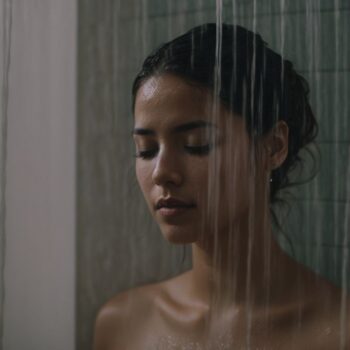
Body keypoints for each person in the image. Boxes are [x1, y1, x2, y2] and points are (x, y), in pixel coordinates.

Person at [93, 23, 349, 349]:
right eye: (146, 149)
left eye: (196, 143)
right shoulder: (123, 324)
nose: (161, 173)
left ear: (272, 147)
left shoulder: (337, 332)